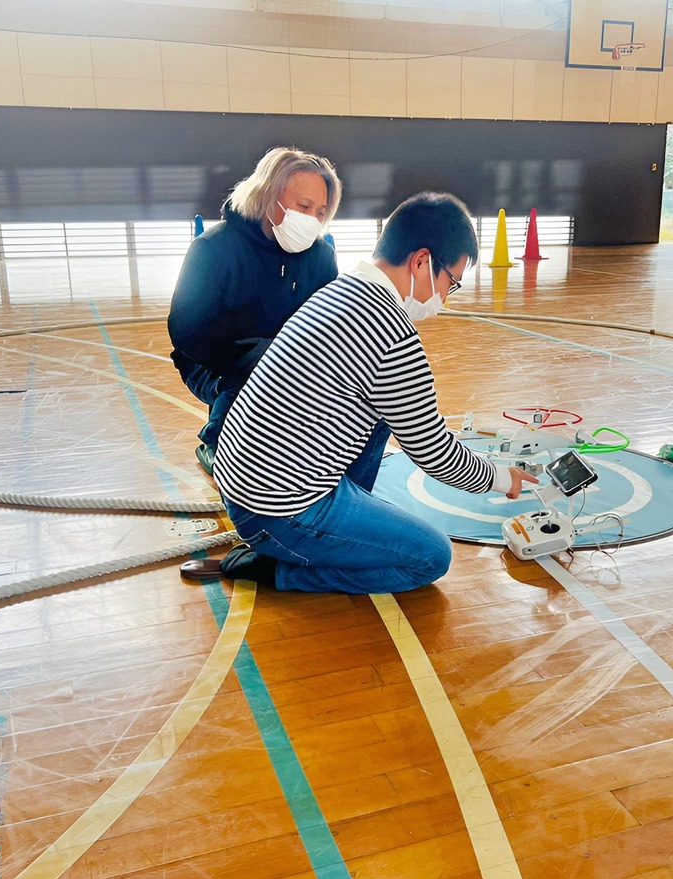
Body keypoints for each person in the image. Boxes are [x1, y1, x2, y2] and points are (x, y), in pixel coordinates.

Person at [180, 192, 537, 595]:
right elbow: (434, 452)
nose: (444, 297)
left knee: (386, 413)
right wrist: (501, 478)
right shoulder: (392, 332)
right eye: (449, 282)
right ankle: (281, 571)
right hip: (276, 511)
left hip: (245, 482)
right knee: (431, 556)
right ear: (422, 262)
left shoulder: (341, 290)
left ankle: (331, 531)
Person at [167, 147, 342, 475]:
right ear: (268, 196)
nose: (312, 220)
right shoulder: (212, 248)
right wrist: (253, 360)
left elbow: (328, 324)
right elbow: (186, 330)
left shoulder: (321, 256)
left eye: (320, 212)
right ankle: (217, 441)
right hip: (213, 363)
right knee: (263, 364)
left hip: (286, 359)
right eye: (304, 207)